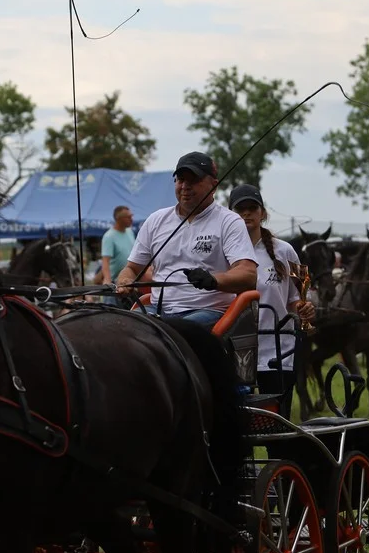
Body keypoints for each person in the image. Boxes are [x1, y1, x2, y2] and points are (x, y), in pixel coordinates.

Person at [115, 151, 257, 328]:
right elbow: (132, 268)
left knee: (173, 332)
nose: (185, 186)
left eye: (193, 180)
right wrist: (125, 281)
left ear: (214, 185)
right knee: (119, 328)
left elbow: (248, 274)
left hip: (209, 311)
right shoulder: (155, 220)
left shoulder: (229, 221)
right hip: (158, 310)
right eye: (181, 180)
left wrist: (213, 280)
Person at [229, 184, 314, 394]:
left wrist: (305, 308)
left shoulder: (285, 251)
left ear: (263, 213)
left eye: (252, 207)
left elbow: (297, 297)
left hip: (278, 349)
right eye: (240, 209)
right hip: (234, 349)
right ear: (230, 216)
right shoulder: (223, 250)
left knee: (277, 416)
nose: (247, 213)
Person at [100, 205, 135, 305]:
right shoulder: (109, 236)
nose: (131, 219)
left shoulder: (130, 232)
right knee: (112, 311)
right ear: (118, 219)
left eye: (131, 216)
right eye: (128, 217)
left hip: (129, 281)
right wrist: (107, 280)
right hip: (115, 283)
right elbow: (105, 261)